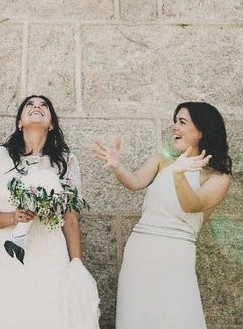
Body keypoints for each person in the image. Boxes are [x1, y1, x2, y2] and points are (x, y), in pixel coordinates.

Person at [94, 101, 232, 329]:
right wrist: (117, 166)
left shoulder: (218, 178)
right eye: (174, 121)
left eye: (182, 122)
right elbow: (136, 181)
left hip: (176, 254)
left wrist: (179, 174)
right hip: (141, 248)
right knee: (137, 316)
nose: (174, 127)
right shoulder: (162, 159)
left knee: (175, 314)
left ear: (201, 131)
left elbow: (192, 204)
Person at [0, 95, 97, 328]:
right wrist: (13, 216)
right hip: (9, 257)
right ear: (19, 122)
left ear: (51, 123)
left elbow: (70, 222)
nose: (36, 107)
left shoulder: (66, 161)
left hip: (51, 256)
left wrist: (76, 265)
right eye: (29, 105)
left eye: (44, 106)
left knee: (50, 316)